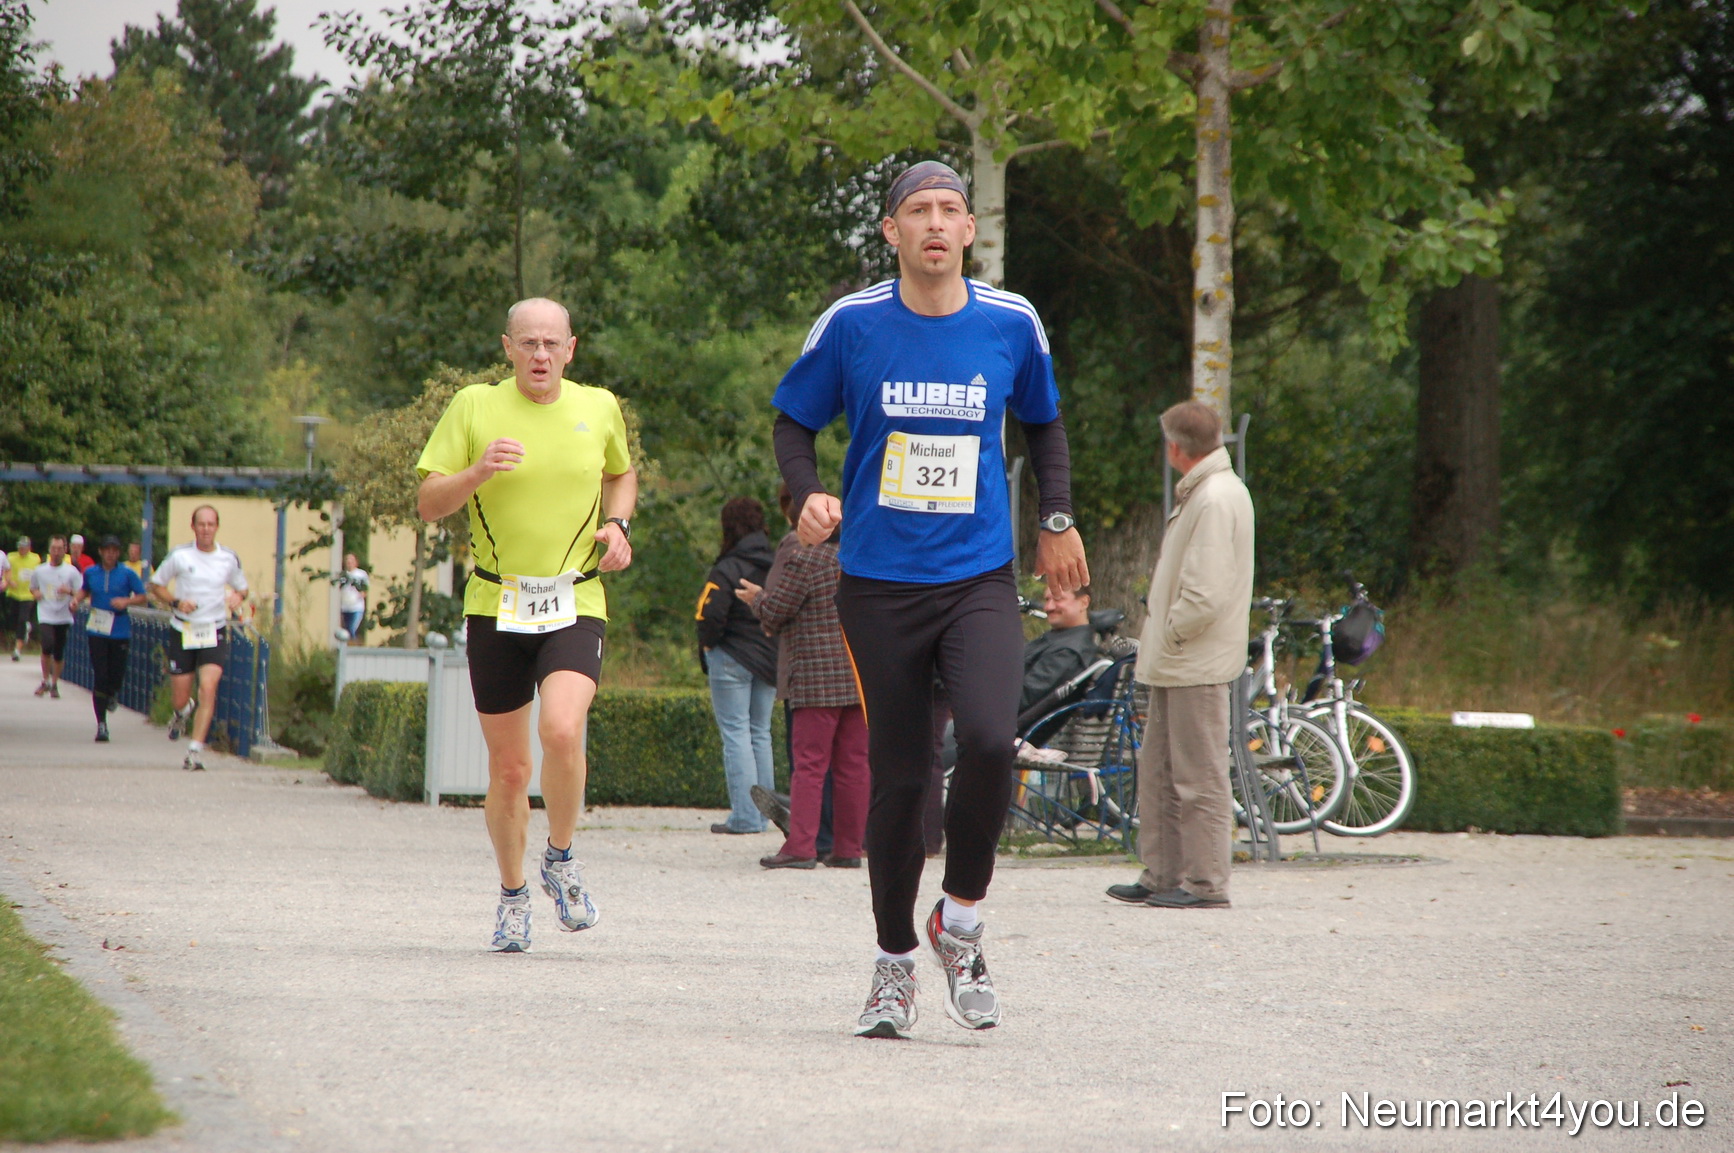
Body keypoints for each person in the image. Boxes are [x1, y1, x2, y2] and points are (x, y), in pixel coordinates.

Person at [772, 159, 1088, 1037]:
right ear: (893, 232)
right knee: (903, 775)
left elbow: (1046, 420)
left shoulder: (1010, 321)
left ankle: (961, 917)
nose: (937, 223)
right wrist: (803, 493)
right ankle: (892, 966)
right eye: (919, 211)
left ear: (970, 231)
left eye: (952, 209)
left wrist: (1056, 518)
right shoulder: (853, 324)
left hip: (978, 576)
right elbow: (793, 421)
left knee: (990, 738)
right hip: (877, 585)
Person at [415, 297, 637, 954]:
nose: (540, 354)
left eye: (552, 343)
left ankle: (561, 857)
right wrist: (478, 470)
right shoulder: (474, 407)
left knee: (562, 727)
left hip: (575, 597)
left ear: (572, 349)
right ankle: (513, 895)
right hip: (496, 604)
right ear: (507, 347)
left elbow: (621, 474)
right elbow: (428, 503)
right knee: (511, 769)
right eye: (528, 343)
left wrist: (619, 525)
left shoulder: (599, 406)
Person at [1107, 400, 1254, 911]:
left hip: (1193, 658)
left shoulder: (1213, 498)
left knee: (1198, 776)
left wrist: (1168, 635)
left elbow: (1205, 594)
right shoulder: (1208, 492)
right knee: (1162, 770)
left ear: (1174, 447)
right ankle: (1164, 873)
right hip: (1180, 658)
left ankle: (1205, 882)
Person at [744, 502, 867, 870]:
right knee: (855, 765)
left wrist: (755, 599)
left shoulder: (805, 560)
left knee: (810, 765)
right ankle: (848, 848)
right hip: (859, 675)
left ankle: (801, 846)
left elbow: (776, 611)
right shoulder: (861, 560)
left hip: (815, 679)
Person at [695, 497, 779, 835]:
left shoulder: (726, 568)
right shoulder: (778, 563)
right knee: (761, 733)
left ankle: (745, 818)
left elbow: (709, 615)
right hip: (769, 659)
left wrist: (709, 645)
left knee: (735, 734)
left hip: (731, 657)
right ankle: (767, 814)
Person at [150, 506, 249, 771]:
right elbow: (156, 584)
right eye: (201, 524)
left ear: (217, 527)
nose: (206, 529)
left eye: (211, 524)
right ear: (193, 527)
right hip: (183, 630)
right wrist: (176, 602)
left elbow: (243, 587)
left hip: (213, 631)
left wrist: (238, 597)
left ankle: (194, 750)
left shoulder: (228, 558)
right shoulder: (180, 556)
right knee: (180, 698)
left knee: (208, 688)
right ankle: (183, 711)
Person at [78, 535, 147, 741]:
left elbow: (143, 596)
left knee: (116, 674)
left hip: (119, 629)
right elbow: (84, 591)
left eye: (114, 550)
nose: (110, 553)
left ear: (118, 553)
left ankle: (112, 692)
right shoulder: (91, 572)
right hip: (98, 629)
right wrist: (75, 600)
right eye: (107, 549)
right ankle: (101, 724)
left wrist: (126, 601)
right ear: (100, 551)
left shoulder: (127, 573)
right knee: (100, 676)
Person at [1020, 582, 1097, 716]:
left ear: (1084, 602)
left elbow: (1020, 698)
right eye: (1047, 599)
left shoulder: (1068, 652)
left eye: (1058, 598)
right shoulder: (1058, 639)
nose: (1048, 607)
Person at [29, 535, 82, 698]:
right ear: (49, 550)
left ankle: (54, 683)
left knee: (59, 651)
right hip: (46, 612)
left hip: (63, 614)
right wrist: (36, 593)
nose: (56, 552)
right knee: (47, 644)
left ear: (65, 550)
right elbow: (33, 587)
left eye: (60, 549)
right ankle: (45, 680)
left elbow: (81, 593)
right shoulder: (40, 570)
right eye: (54, 549)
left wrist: (70, 592)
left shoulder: (71, 571)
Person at [7, 535, 40, 660]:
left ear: (29, 548)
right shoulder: (11, 557)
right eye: (20, 547)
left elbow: (38, 574)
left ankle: (17, 650)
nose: (22, 550)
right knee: (14, 620)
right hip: (14, 593)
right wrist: (9, 581)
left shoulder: (35, 558)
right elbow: (6, 571)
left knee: (22, 619)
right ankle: (26, 627)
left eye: (25, 547)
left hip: (28, 594)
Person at [337, 553, 370, 643]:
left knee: (352, 628)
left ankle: (353, 645)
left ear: (356, 562)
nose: (349, 562)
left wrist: (362, 594)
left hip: (356, 606)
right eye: (347, 560)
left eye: (351, 560)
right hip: (344, 606)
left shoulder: (361, 574)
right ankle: (348, 645)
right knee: (346, 629)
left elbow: (365, 588)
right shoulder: (342, 575)